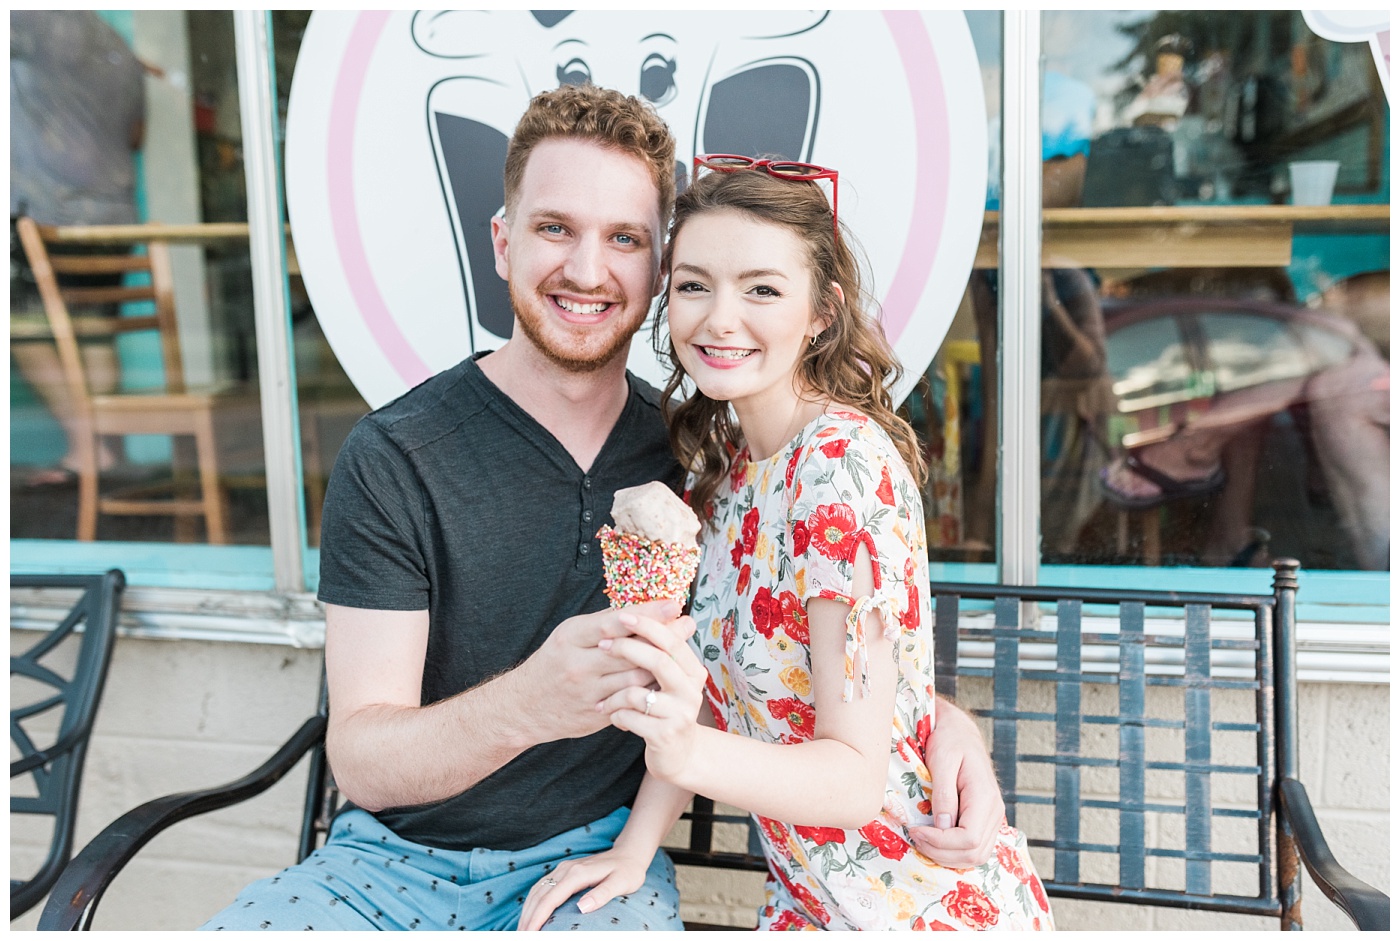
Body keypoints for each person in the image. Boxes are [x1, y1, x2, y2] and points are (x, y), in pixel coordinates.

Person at [203, 85, 1004, 932]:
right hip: (384, 868)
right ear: (503, 243)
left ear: (656, 271)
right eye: (555, 228)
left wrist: (946, 724)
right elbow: (360, 757)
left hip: (612, 865)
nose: (588, 270)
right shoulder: (398, 457)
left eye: (624, 239)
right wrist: (529, 700)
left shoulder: (697, 459)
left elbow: (816, 656)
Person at [519, 161, 1054, 931]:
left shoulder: (841, 469)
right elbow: (705, 691)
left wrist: (684, 752)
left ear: (821, 313)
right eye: (696, 285)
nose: (719, 319)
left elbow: (853, 779)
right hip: (809, 904)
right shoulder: (731, 473)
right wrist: (635, 849)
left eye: (762, 289)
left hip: (916, 903)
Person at [10, 10, 150, 485]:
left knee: (19, 326)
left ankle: (84, 447)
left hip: (45, 209)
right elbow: (137, 135)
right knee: (94, 328)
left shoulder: (31, 20)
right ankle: (104, 452)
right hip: (111, 212)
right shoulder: (115, 43)